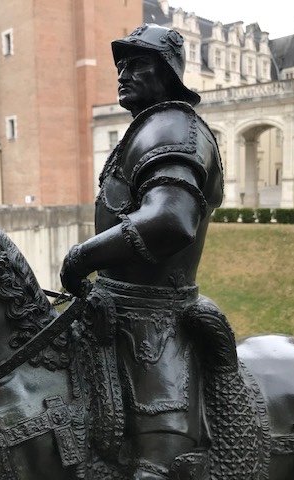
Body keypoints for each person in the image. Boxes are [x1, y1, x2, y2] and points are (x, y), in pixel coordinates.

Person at [60, 24, 228, 480]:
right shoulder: (148, 128)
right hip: (109, 308)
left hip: (156, 323)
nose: (123, 73)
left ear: (168, 73)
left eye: (138, 64)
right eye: (121, 65)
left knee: (154, 468)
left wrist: (82, 257)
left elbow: (171, 220)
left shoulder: (174, 127)